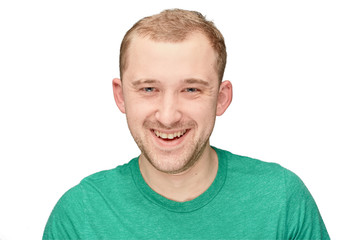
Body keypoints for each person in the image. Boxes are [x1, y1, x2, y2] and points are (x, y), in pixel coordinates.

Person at [43, 9, 329, 239]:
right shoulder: (80, 215)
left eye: (191, 90)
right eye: (148, 89)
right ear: (121, 96)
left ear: (221, 98)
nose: (168, 116)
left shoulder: (281, 200)